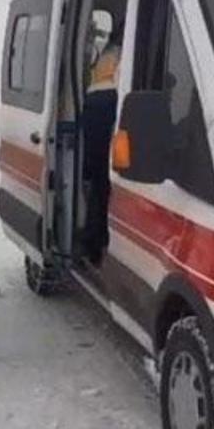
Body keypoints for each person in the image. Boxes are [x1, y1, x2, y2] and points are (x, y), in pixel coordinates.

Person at [80, 28, 121, 264]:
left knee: (99, 182)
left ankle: (92, 242)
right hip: (107, 107)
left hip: (94, 107)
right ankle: (95, 242)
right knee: (104, 183)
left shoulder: (108, 50)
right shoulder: (126, 49)